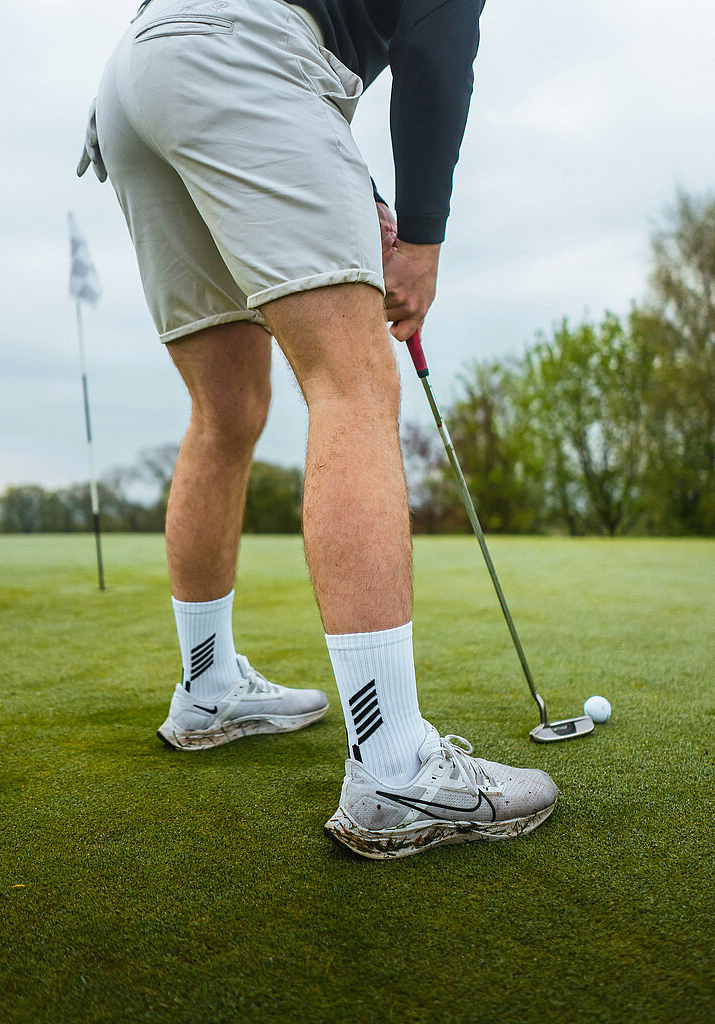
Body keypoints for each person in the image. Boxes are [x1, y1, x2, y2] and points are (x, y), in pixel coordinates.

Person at [77, 0, 557, 859]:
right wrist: (422, 240)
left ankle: (208, 685)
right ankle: (396, 768)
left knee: (226, 409)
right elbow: (436, 46)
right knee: (354, 382)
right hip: (240, 50)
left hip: (136, 78)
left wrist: (364, 196)